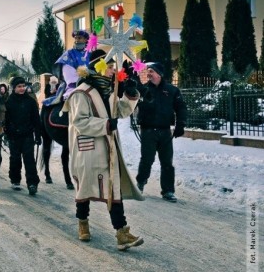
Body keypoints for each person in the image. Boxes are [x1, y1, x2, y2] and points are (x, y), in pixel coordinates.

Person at [63, 49, 144, 251]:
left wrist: (131, 93)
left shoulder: (108, 91)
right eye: (108, 67)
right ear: (97, 67)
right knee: (85, 188)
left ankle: (121, 233)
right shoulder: (80, 93)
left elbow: (121, 111)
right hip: (88, 151)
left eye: (112, 67)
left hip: (109, 148)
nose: (112, 71)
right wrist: (106, 125)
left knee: (113, 188)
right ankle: (83, 223)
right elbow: (80, 122)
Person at [134, 62, 187, 203]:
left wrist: (181, 124)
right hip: (148, 130)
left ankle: (168, 191)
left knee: (167, 162)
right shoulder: (143, 89)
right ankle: (140, 183)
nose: (149, 73)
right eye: (147, 71)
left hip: (165, 131)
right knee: (147, 160)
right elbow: (131, 99)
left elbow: (181, 108)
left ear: (159, 74)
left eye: (151, 71)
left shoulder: (172, 90)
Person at [5, 76, 42, 196]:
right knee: (15, 158)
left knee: (29, 160)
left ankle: (32, 184)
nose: (22, 89)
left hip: (27, 135)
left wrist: (38, 135)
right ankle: (15, 180)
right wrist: (7, 133)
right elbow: (5, 120)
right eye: (19, 86)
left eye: (23, 86)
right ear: (13, 88)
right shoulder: (8, 102)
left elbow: (36, 120)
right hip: (13, 136)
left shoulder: (30, 102)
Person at [55, 30, 90, 100]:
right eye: (75, 38)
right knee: (71, 97)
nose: (77, 40)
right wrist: (79, 81)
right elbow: (67, 71)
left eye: (79, 38)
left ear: (85, 39)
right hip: (74, 85)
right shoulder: (69, 53)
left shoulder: (91, 53)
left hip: (92, 83)